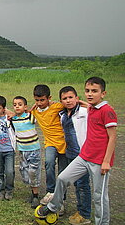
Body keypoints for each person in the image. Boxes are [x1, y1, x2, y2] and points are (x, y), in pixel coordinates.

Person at [37, 77, 117, 225]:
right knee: (62, 178)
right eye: (87, 91)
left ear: (103, 93)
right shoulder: (91, 108)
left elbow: (113, 137)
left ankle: (102, 222)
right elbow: (86, 106)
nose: (90, 94)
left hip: (99, 161)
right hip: (83, 156)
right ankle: (53, 206)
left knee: (99, 196)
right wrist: (83, 103)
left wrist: (106, 161)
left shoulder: (107, 110)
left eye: (94, 91)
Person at [31, 84, 67, 212]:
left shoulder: (57, 106)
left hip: (64, 144)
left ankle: (61, 199)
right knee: (48, 163)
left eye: (42, 100)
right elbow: (20, 113)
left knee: (63, 173)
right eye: (37, 100)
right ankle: (50, 191)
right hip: (50, 143)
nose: (39, 103)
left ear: (49, 98)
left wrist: (87, 105)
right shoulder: (34, 111)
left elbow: (73, 103)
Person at [59, 86, 91, 224]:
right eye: (65, 98)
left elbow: (99, 112)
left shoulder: (85, 112)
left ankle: (84, 214)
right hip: (70, 154)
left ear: (77, 98)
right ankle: (80, 210)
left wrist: (87, 105)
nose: (68, 100)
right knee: (76, 184)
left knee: (83, 185)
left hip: (83, 154)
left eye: (71, 97)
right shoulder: (63, 115)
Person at [11, 96, 41, 209]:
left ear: (25, 107)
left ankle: (35, 196)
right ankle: (32, 189)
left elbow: (38, 112)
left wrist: (32, 109)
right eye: (15, 105)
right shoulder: (13, 119)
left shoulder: (30, 117)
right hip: (22, 151)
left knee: (33, 172)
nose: (17, 106)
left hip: (34, 150)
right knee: (24, 172)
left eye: (20, 104)